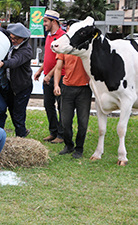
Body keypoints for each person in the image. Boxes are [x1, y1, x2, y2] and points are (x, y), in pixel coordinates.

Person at [53, 20, 92, 159]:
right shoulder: (63, 48)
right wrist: (56, 85)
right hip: (67, 88)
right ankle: (69, 145)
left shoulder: (85, 47)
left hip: (84, 90)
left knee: (83, 122)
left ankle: (79, 148)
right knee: (65, 122)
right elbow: (58, 68)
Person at [0, 23, 33, 138]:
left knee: (18, 114)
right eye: (12, 37)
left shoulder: (26, 50)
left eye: (16, 39)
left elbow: (15, 61)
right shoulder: (11, 42)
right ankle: (21, 131)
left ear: (23, 38)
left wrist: (3, 64)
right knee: (11, 110)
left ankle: (21, 137)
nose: (13, 40)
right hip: (10, 85)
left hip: (22, 87)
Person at [33, 10, 64, 144]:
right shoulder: (49, 36)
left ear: (54, 21)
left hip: (60, 77)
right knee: (48, 105)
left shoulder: (63, 37)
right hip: (47, 76)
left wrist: (49, 75)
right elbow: (48, 58)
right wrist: (40, 70)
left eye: (46, 21)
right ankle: (53, 132)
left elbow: (60, 61)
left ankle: (61, 135)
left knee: (61, 107)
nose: (44, 24)